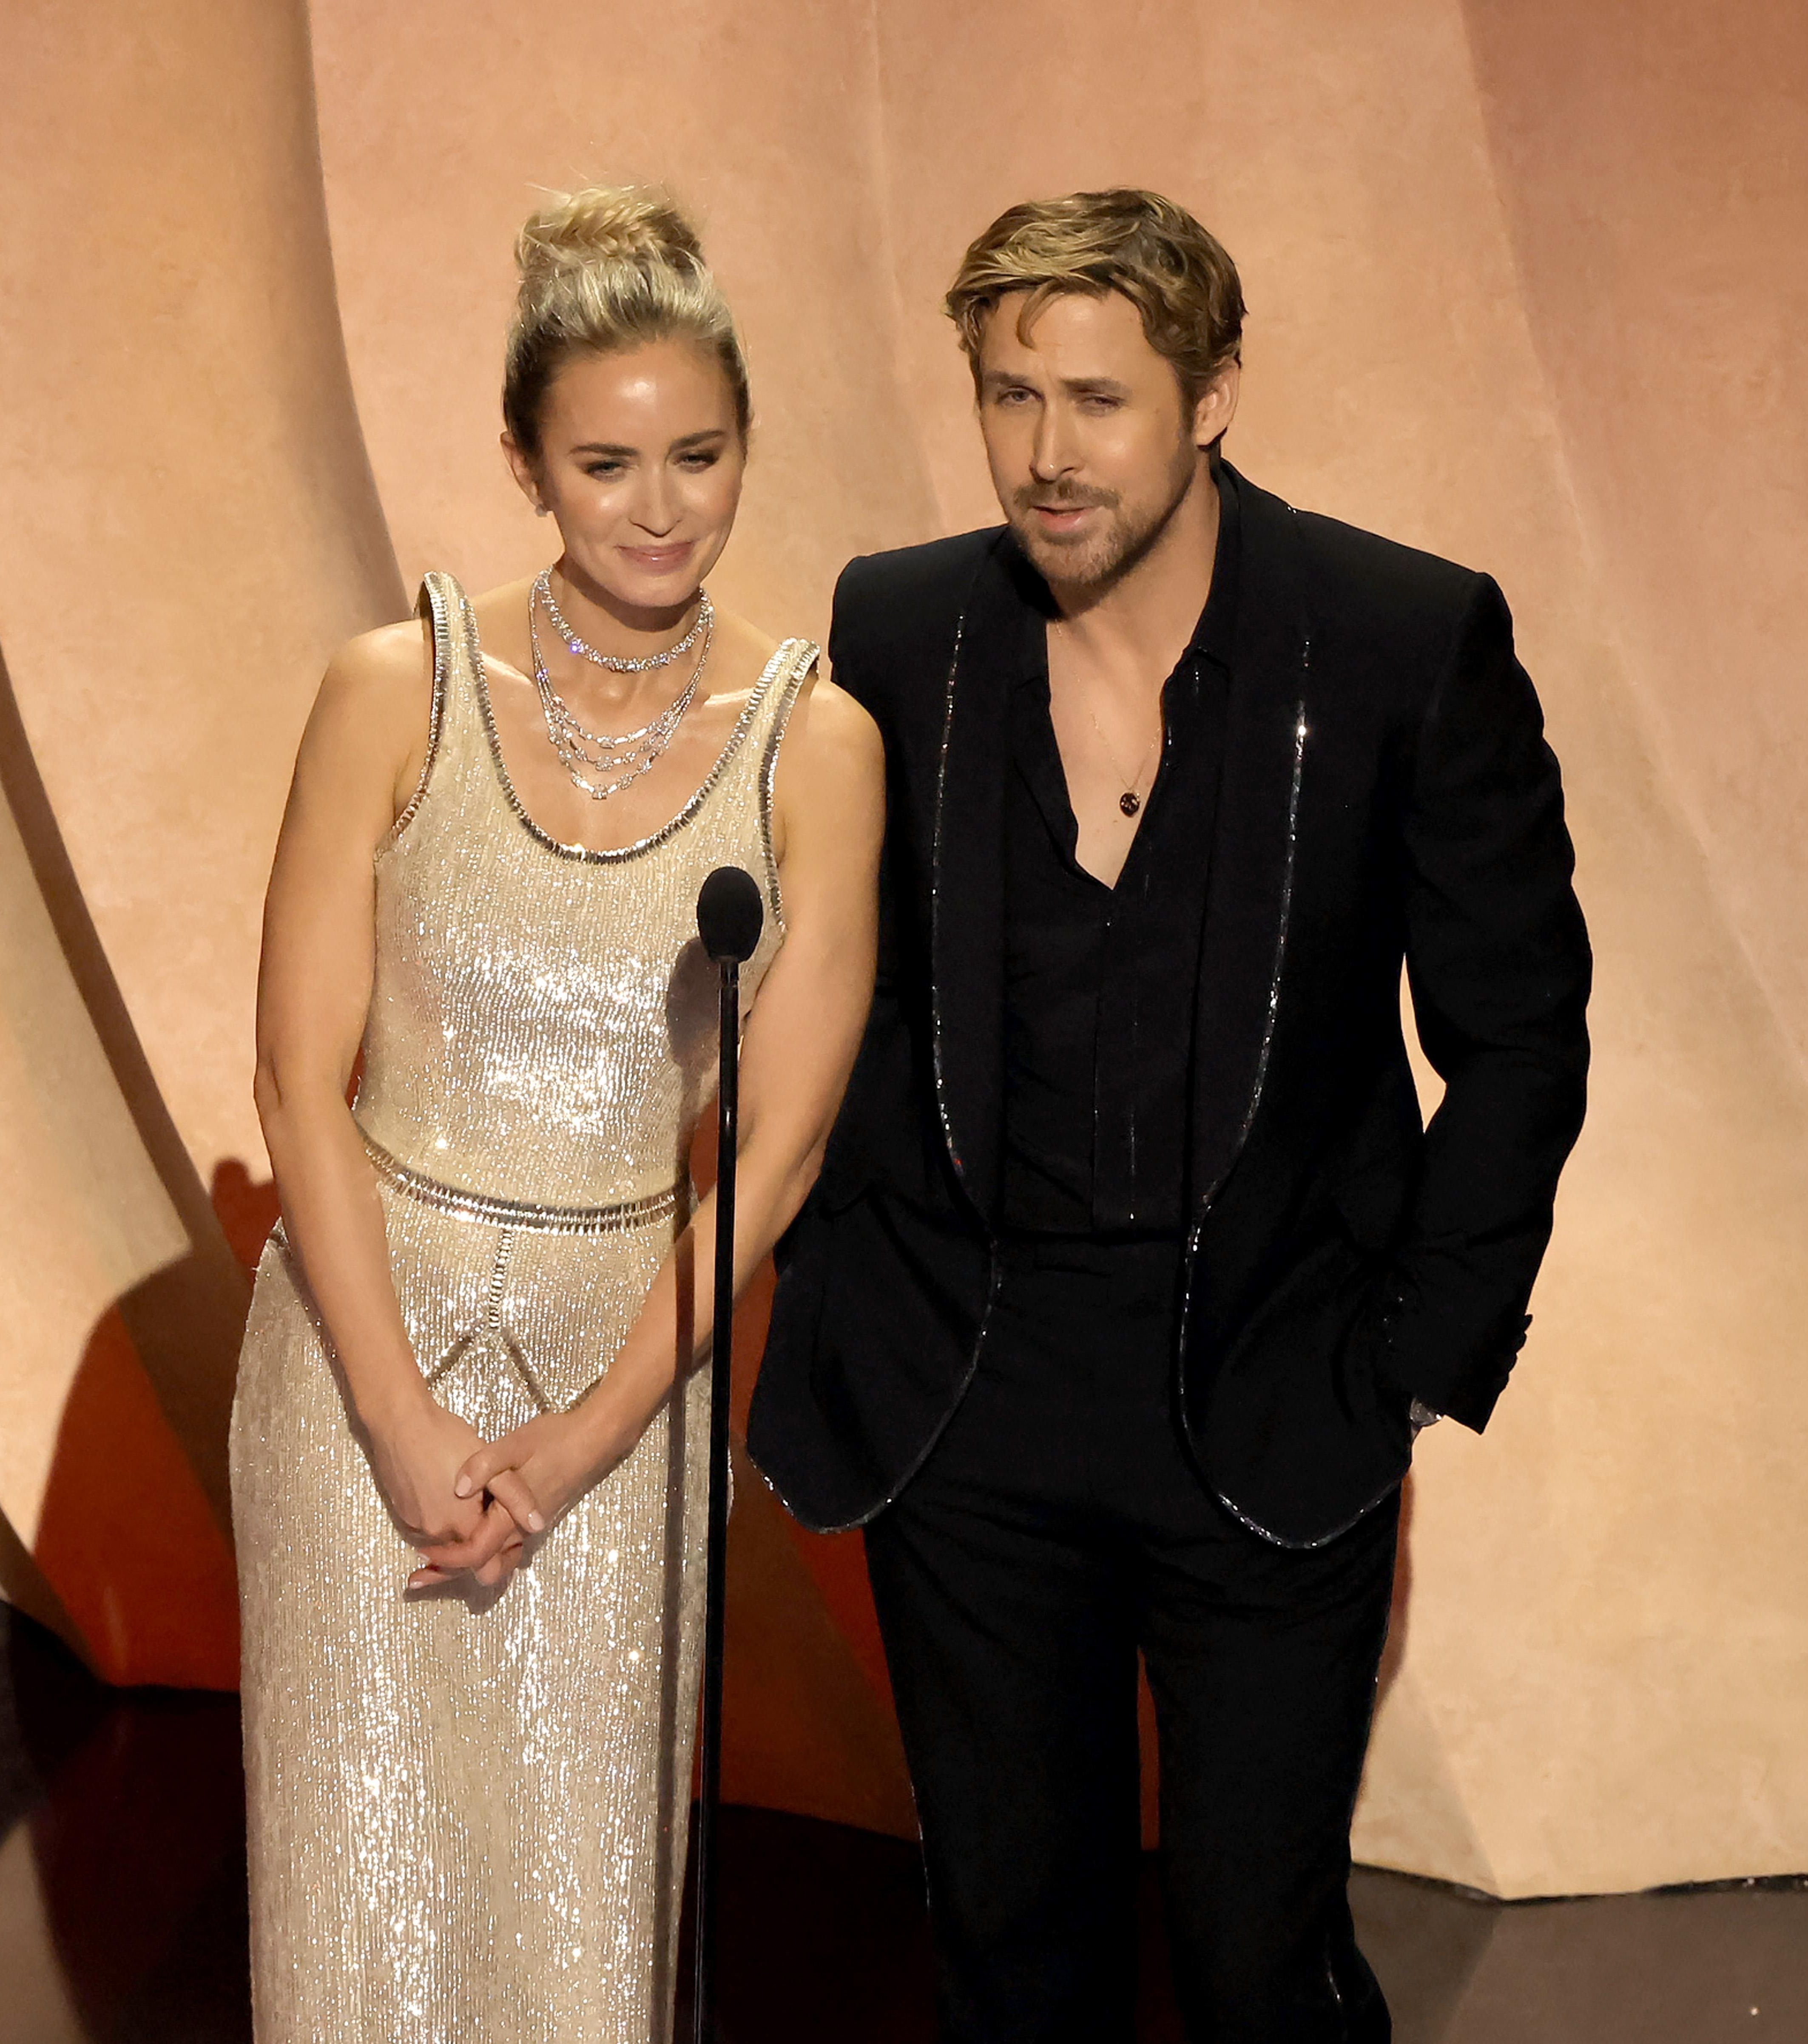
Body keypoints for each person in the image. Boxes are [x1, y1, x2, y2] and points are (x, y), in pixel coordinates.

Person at [750, 188, 1591, 2042]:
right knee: (1008, 1952)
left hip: (1279, 1374)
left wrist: (1415, 1352)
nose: (1045, 456)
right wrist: (833, 1259)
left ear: (1212, 393)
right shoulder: (898, 628)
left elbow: (1521, 1030)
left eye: (1097, 399)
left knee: (1250, 1961)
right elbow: (852, 985)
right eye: (1005, 396)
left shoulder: (1396, 635)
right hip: (966, 1395)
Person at [230, 185, 882, 2044]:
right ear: (524, 458)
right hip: (359, 1371)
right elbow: (298, 1080)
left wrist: (585, 1439)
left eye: (701, 453)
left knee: (578, 1933)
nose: (660, 505)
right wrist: (399, 1412)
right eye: (607, 461)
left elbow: (782, 1146)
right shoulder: (394, 687)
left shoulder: (814, 744)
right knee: (355, 1916)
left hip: (627, 1382)